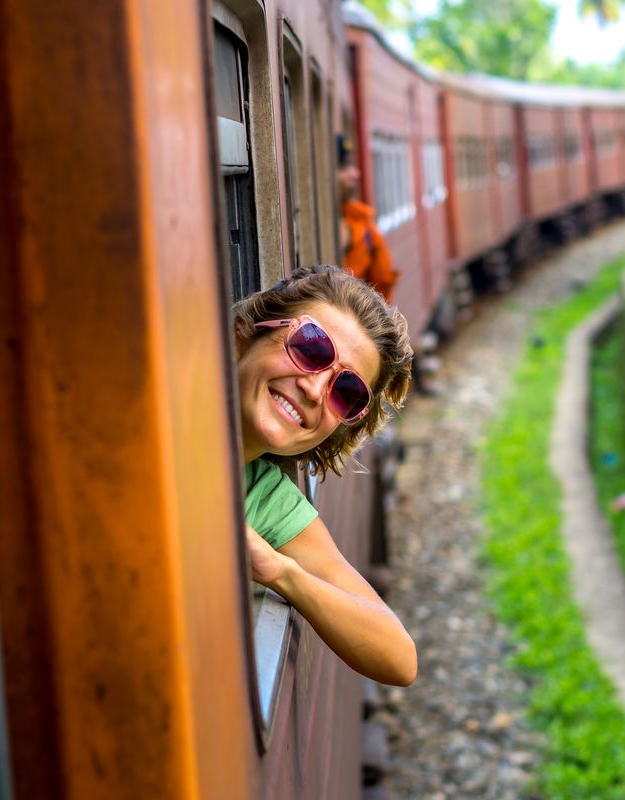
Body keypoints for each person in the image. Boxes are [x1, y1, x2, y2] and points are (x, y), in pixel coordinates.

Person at [234, 264, 416, 687]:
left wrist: (280, 571)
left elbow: (399, 658)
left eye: (345, 391)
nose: (316, 390)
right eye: (311, 349)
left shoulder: (267, 500)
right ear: (245, 333)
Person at [339, 163, 399, 302]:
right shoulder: (362, 223)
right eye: (344, 167)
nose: (355, 174)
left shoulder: (361, 222)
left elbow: (382, 276)